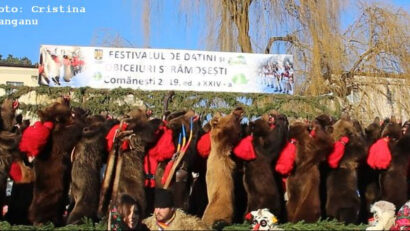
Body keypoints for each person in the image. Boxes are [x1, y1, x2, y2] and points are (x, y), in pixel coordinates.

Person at [143, 188, 210, 230]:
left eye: (162, 207)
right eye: (156, 207)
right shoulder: (146, 225)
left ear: (172, 208)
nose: (158, 211)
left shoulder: (190, 226)